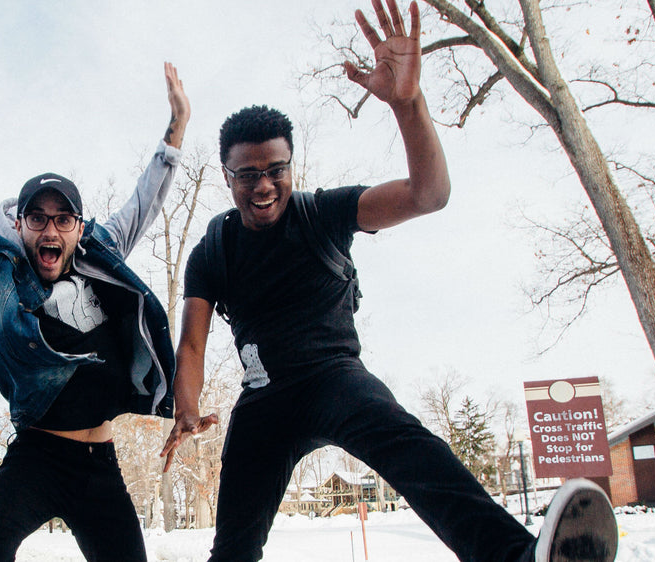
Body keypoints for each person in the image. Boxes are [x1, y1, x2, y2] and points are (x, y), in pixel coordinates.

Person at [161, 1, 619, 561]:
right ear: (227, 174)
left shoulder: (322, 213)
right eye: (248, 175)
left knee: (411, 446)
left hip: (335, 377)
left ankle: (515, 556)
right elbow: (191, 341)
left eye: (275, 170)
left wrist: (407, 104)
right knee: (233, 546)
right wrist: (186, 405)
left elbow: (429, 195)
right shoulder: (214, 249)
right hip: (263, 399)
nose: (263, 187)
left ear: (291, 167)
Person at [0, 26, 189, 561]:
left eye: (63, 219)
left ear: (78, 226)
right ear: (20, 226)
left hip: (101, 462)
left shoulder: (99, 254)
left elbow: (143, 205)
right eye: (37, 219)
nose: (50, 231)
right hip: (36, 456)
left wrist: (176, 130)